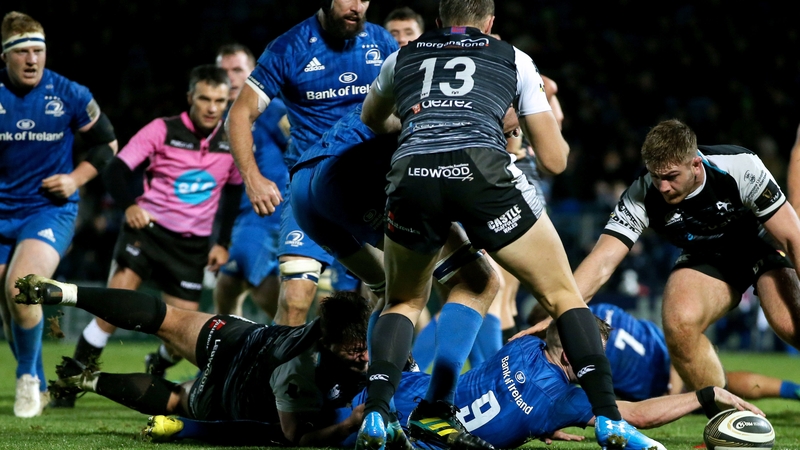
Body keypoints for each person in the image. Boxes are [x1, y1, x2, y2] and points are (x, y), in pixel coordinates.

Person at [357, 1, 661, 449]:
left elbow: (372, 119)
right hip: (482, 173)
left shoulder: (400, 57)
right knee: (562, 294)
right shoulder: (512, 58)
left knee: (402, 301)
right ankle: (609, 419)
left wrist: (423, 120)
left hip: (412, 175)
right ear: (490, 23)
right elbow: (555, 161)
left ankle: (378, 413)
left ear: (438, 22)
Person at [142, 315, 762, 449]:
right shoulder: (570, 397)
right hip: (421, 435)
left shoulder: (524, 346)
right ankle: (183, 424)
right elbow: (638, 414)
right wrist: (705, 395)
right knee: (292, 438)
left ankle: (184, 413)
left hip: (407, 394)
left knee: (290, 420)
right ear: (575, 361)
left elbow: (541, 329)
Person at [526, 118, 800, 393]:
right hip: (707, 256)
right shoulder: (642, 192)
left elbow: (792, 238)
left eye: (671, 177)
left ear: (696, 164)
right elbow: (602, 261)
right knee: (679, 323)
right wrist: (562, 310)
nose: (663, 187)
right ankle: (724, 412)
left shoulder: (739, 166)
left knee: (791, 326)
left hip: (761, 244)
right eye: (656, 177)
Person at [13, 274, 375, 446]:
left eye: (365, 347)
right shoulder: (299, 373)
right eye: (354, 351)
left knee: (167, 318)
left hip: (239, 337)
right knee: (176, 400)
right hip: (234, 392)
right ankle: (84, 379)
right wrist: (347, 426)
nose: (364, 356)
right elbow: (294, 436)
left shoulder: (339, 325)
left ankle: (70, 295)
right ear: (326, 343)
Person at [61, 65, 243, 404]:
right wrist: (130, 205)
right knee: (111, 311)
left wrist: (222, 242)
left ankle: (157, 363)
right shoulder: (162, 129)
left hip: (191, 247)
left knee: (183, 334)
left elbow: (234, 190)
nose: (212, 107)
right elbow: (116, 169)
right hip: (146, 234)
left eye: (219, 101)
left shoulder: (233, 139)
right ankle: (71, 384)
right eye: (204, 99)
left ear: (227, 101)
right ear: (190, 98)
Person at [226, 0, 398, 326]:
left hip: (371, 187)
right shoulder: (289, 47)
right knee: (294, 299)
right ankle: (281, 363)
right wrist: (252, 177)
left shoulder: (381, 41)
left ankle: (381, 359)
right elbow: (239, 114)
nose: (358, 6)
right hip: (311, 188)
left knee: (391, 292)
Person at [0, 11, 118, 417]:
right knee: (8, 304)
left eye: (39, 50)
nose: (32, 59)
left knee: (22, 287)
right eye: (23, 52)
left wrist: (75, 179)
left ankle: (26, 380)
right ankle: (38, 382)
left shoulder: (69, 93)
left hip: (47, 210)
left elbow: (107, 144)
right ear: (5, 56)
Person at [585, 303, 800, 403]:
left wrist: (671, 390)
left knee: (714, 391)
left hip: (659, 382)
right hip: (668, 351)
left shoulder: (581, 347)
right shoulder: (602, 309)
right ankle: (794, 390)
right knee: (721, 384)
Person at [212, 43, 289, 319]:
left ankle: (299, 336)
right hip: (238, 218)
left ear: (253, 72)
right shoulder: (216, 118)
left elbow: (302, 149)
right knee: (227, 285)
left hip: (267, 213)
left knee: (251, 278)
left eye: (237, 70)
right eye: (223, 72)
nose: (230, 78)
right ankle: (225, 345)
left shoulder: (271, 110)